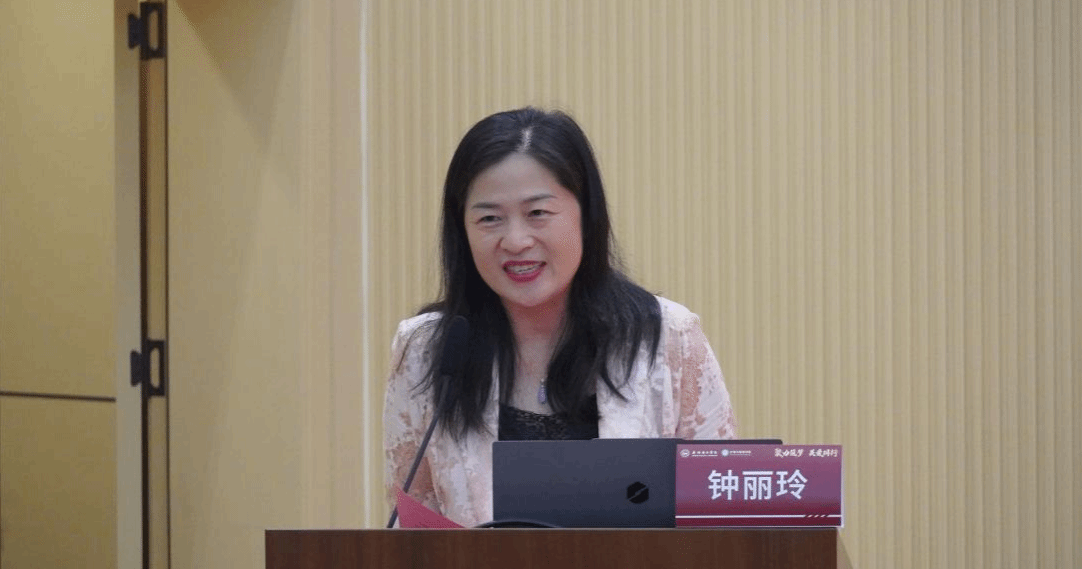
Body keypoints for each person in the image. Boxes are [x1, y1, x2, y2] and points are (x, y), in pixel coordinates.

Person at [383, 107, 737, 527]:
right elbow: (413, 527)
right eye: (489, 219)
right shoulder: (427, 350)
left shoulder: (667, 338)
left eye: (537, 214)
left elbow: (721, 516)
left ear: (586, 215)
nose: (516, 241)